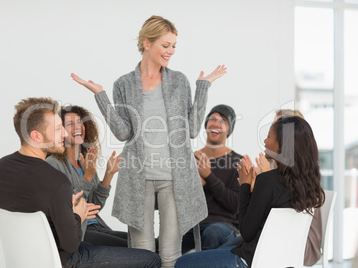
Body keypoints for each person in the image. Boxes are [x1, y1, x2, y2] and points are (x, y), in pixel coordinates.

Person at [71, 15, 227, 268]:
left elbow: (192, 129)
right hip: (137, 178)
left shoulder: (179, 81)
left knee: (169, 254)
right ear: (147, 43)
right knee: (142, 255)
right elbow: (122, 133)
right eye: (165, 45)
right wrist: (101, 96)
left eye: (174, 45)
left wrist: (203, 87)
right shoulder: (123, 84)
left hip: (174, 177)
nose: (171, 51)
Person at [0, 97, 161, 268]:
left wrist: (69, 206)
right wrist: (77, 214)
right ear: (36, 136)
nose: (63, 132)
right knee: (153, 259)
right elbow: (71, 245)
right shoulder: (56, 179)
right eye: (58, 129)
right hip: (65, 258)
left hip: (27, 257)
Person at [174, 116, 325, 268]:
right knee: (221, 249)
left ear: (281, 145)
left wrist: (245, 186)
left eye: (268, 137)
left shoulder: (268, 180)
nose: (265, 142)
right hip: (280, 260)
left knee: (182, 263)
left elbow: (246, 232)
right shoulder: (310, 185)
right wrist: (255, 189)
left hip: (251, 260)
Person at [46, 105, 128, 247]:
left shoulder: (85, 160)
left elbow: (95, 206)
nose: (78, 127)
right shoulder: (53, 163)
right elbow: (67, 207)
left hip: (97, 227)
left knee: (147, 244)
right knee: (140, 251)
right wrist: (88, 176)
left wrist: (109, 174)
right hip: (80, 232)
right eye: (71, 124)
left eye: (80, 122)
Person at [257, 108, 322, 267]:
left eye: (280, 126)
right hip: (278, 239)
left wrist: (260, 182)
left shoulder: (302, 174)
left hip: (300, 245)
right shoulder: (277, 168)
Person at [181, 104, 242, 253]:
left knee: (213, 233)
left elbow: (236, 205)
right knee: (168, 239)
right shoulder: (190, 158)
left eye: (223, 121)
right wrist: (196, 184)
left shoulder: (238, 162)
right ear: (206, 124)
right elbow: (178, 200)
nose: (216, 123)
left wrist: (209, 176)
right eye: (213, 119)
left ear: (229, 129)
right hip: (191, 225)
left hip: (223, 225)